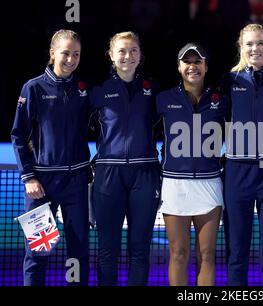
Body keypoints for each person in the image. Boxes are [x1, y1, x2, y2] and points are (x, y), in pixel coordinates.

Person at [11, 29, 91, 286]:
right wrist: (29, 177)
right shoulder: (32, 88)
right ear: (52, 53)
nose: (70, 59)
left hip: (77, 184)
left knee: (77, 255)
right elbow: (18, 135)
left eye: (76, 54)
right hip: (41, 186)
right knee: (37, 254)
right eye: (65, 53)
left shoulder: (83, 89)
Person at [222, 23, 263, 286]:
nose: (255, 48)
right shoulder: (228, 81)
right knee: (236, 250)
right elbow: (218, 119)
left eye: (260, 43)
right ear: (241, 47)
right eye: (249, 43)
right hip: (237, 171)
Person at [89, 31, 160, 286]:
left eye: (133, 50)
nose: (127, 56)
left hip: (145, 175)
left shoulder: (154, 90)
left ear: (140, 55)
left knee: (140, 251)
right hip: (109, 176)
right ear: (111, 55)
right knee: (107, 251)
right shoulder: (98, 91)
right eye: (121, 51)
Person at [156, 43, 227, 286]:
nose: (192, 66)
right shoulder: (163, 99)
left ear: (206, 66)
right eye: (187, 61)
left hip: (209, 185)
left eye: (198, 61)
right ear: (179, 67)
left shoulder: (222, 101)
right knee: (178, 253)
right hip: (175, 186)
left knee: (207, 255)